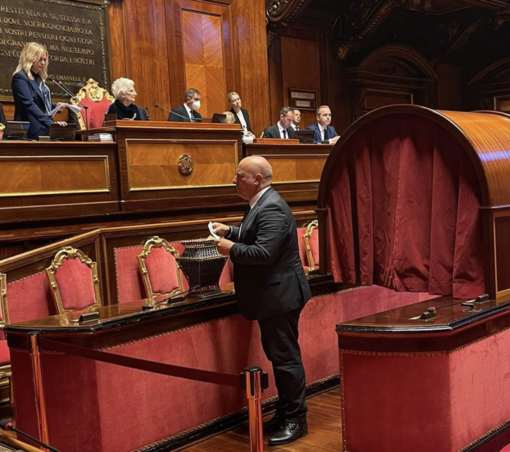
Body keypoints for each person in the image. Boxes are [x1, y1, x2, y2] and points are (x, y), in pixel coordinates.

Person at [212, 156, 311, 446]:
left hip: (280, 295)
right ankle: (284, 412)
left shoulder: (272, 208)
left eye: (239, 175)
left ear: (256, 179)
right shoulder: (262, 203)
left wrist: (231, 248)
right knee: (279, 357)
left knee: (286, 358)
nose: (234, 179)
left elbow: (263, 253)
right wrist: (231, 231)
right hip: (273, 295)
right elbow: (255, 235)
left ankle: (296, 419)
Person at [11, 42, 67, 140]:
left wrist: (55, 107)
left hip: (44, 127)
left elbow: (40, 102)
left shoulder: (38, 78)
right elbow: (29, 104)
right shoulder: (20, 77)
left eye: (44, 60)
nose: (43, 63)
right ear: (30, 58)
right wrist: (50, 123)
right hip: (30, 130)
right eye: (40, 59)